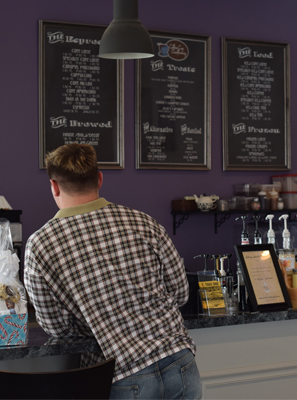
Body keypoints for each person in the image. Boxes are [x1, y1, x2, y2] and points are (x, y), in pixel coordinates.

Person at [24, 144, 202, 400]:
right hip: (180, 360)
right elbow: (180, 291)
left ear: (53, 186)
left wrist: (96, 320)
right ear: (99, 179)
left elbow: (56, 326)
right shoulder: (144, 222)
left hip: (123, 372)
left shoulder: (41, 244)